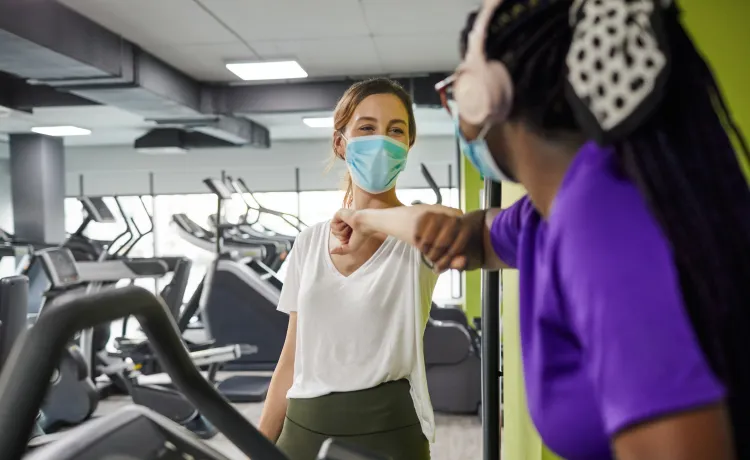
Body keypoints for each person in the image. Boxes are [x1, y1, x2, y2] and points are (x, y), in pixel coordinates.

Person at [330, 1, 750, 459]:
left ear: (482, 96)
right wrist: (364, 218)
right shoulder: (549, 211)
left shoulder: (599, 219)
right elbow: (471, 235)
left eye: (456, 89)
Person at [257, 77, 459, 460]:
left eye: (395, 130)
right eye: (366, 128)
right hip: (303, 431)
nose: (381, 140)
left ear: (407, 145)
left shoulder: (417, 237)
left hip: (388, 433)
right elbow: (291, 361)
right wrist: (257, 445)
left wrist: (368, 219)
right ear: (340, 142)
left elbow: (455, 224)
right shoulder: (310, 242)